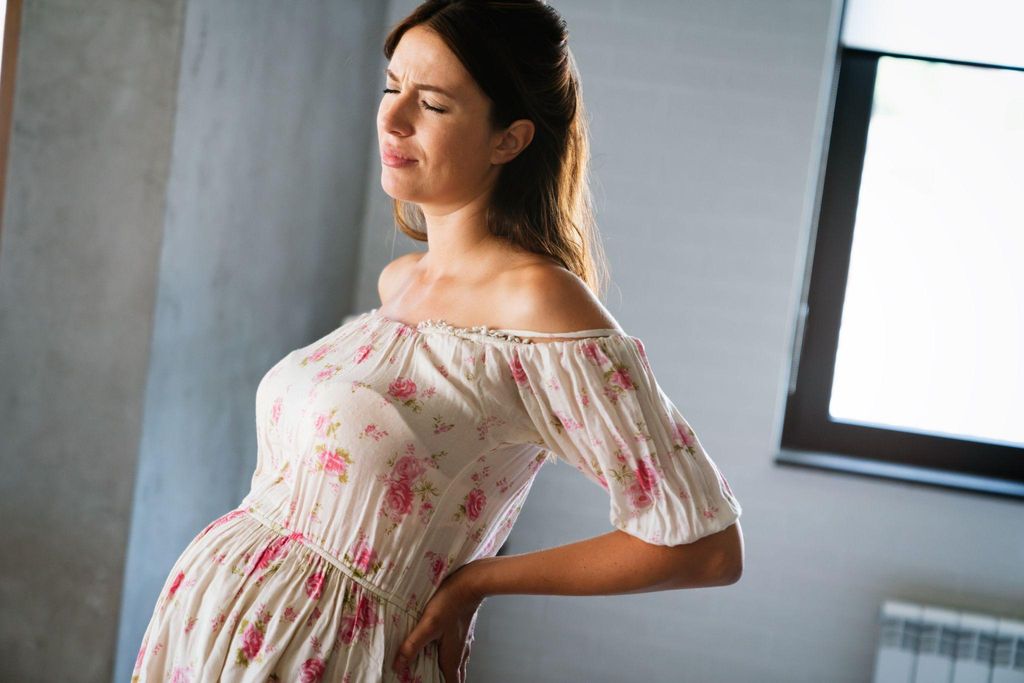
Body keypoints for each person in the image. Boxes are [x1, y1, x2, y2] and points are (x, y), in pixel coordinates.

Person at [131, 1, 744, 681]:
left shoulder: (538, 301)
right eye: (392, 87)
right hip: (215, 628)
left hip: (336, 657)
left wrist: (477, 580)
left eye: (434, 104)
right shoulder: (399, 282)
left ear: (508, 139)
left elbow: (706, 545)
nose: (392, 118)